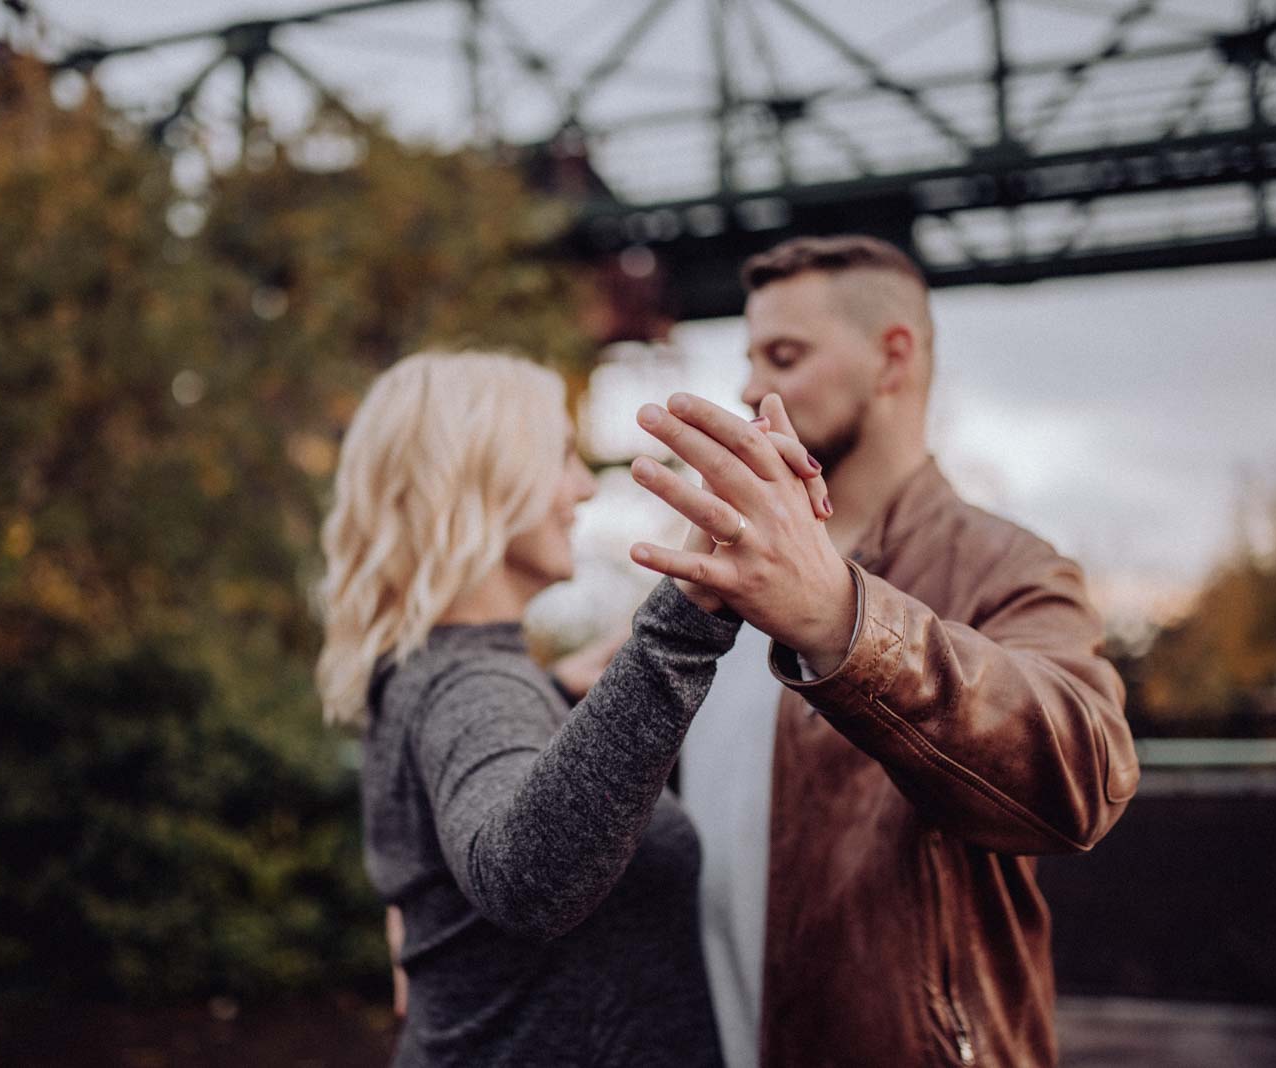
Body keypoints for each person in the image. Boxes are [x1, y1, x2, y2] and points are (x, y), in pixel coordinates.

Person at [634, 235, 1142, 1067]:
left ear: (892, 357)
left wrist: (843, 619)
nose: (752, 387)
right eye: (750, 357)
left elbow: (1083, 777)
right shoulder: (720, 573)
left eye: (785, 355)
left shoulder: (1008, 565)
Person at [317, 351, 828, 1066]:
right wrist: (686, 616)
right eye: (560, 455)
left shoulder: (440, 669)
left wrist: (557, 699)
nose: (583, 488)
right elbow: (529, 880)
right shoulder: (471, 687)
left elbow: (498, 771)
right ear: (482, 472)